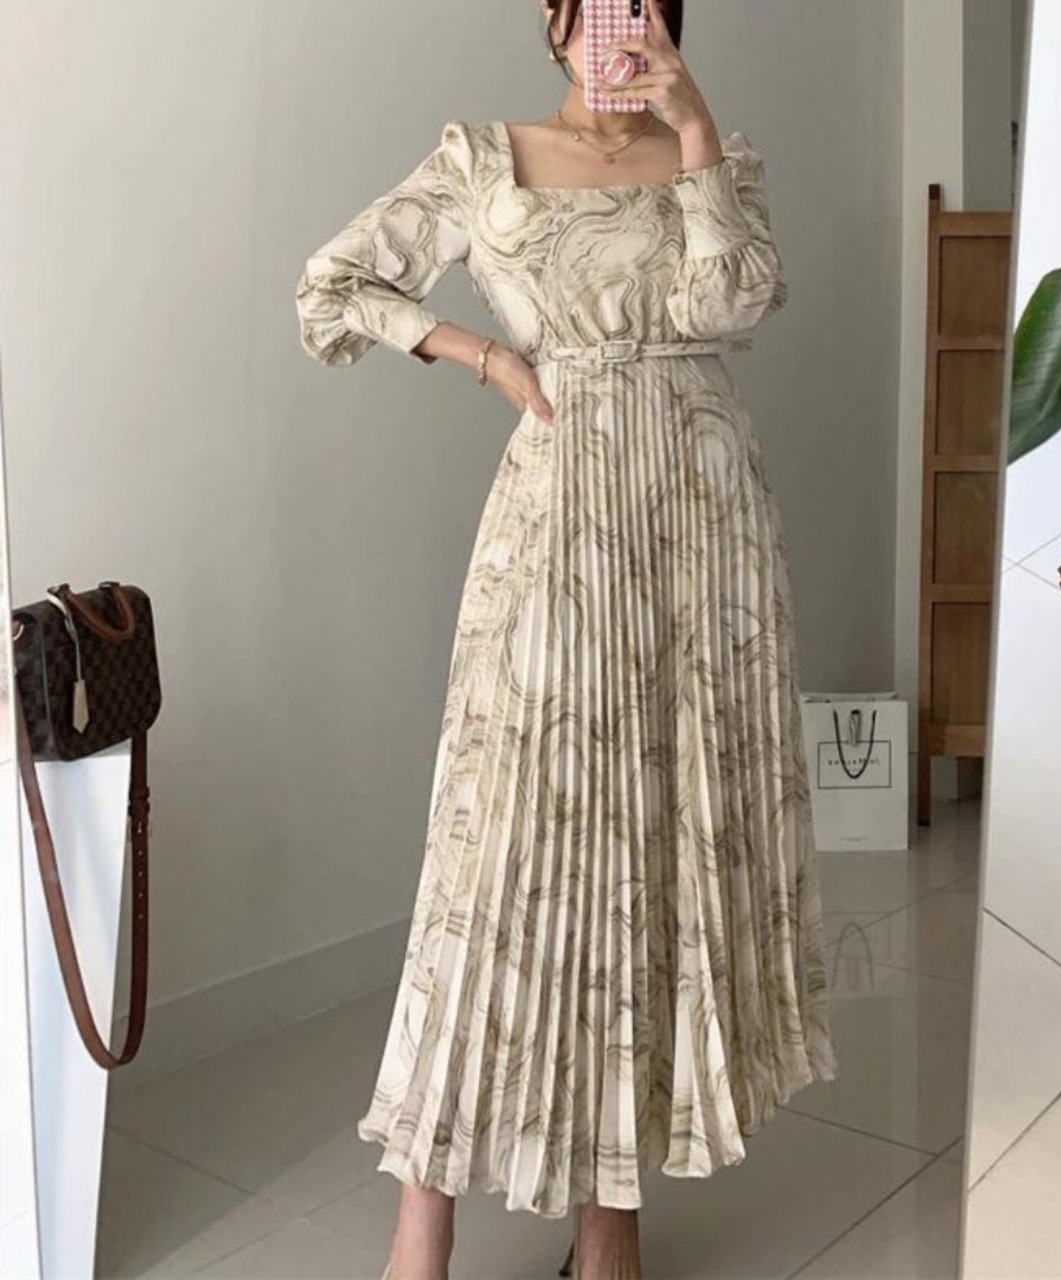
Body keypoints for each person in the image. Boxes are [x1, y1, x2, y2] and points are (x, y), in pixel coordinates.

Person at [295, 2, 838, 1276]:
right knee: (500, 847)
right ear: (551, 20)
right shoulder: (482, 158)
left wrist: (692, 129)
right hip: (560, 511)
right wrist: (482, 354)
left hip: (704, 526)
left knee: (660, 839)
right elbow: (334, 284)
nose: (618, 28)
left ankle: (610, 1221)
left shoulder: (715, 155)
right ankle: (421, 1221)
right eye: (594, 5)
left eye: (643, 6)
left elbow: (736, 297)